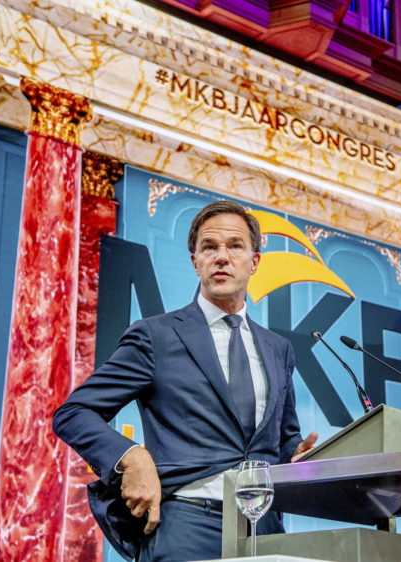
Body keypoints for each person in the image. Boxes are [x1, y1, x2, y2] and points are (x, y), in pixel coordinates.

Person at [53, 200, 317, 561]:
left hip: (264, 529)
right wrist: (131, 456)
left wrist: (298, 456)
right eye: (209, 247)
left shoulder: (279, 349)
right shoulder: (156, 336)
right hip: (187, 525)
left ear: (254, 262)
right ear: (195, 262)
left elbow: (282, 439)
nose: (222, 257)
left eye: (235, 246)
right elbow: (74, 412)